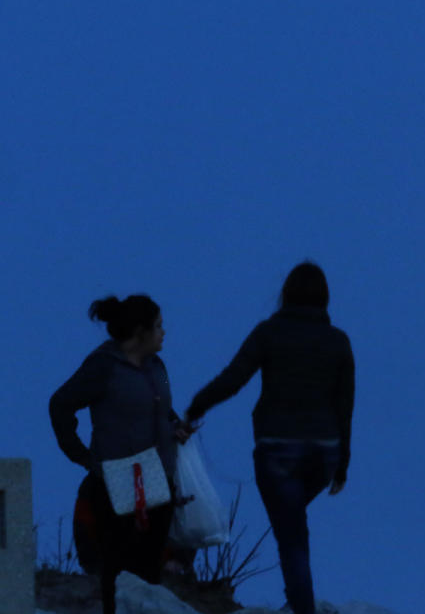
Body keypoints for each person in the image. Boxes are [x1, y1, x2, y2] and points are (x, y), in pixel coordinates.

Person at [185, 261, 355, 614]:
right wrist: (341, 466)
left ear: (286, 294)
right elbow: (345, 406)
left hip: (277, 450)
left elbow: (233, 379)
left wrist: (197, 406)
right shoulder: (339, 341)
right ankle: (296, 600)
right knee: (292, 525)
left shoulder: (268, 332)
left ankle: (301, 607)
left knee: (291, 537)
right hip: (324, 453)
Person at [49, 294, 191, 614]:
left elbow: (160, 408)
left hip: (158, 474)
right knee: (118, 568)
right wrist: (82, 456)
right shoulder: (103, 366)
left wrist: (176, 427)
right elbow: (60, 403)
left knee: (151, 565)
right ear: (140, 332)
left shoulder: (158, 366)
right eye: (158, 327)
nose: (164, 333)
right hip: (118, 476)